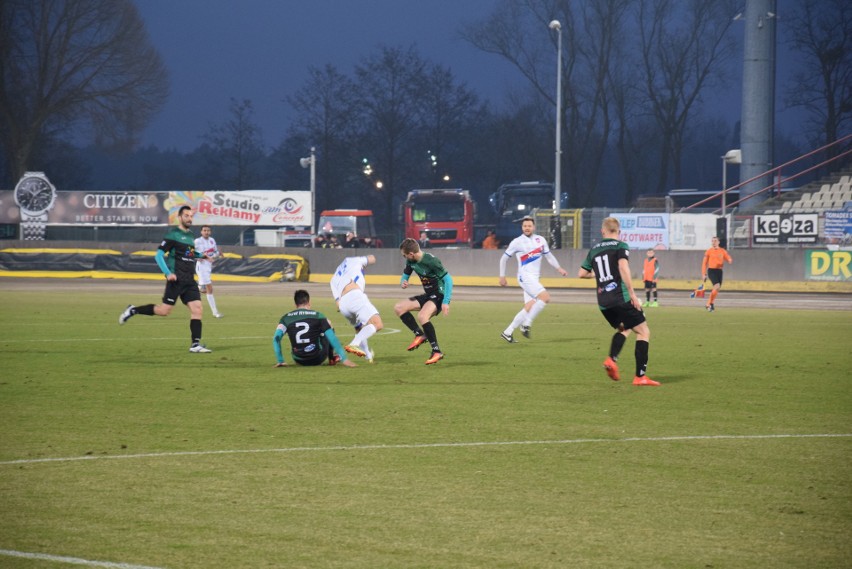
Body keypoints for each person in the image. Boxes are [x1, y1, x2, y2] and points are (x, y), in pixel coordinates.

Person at [119, 205, 213, 353]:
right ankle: (133, 310)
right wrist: (168, 273)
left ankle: (195, 344)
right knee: (164, 311)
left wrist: (202, 256)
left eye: (191, 216)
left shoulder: (190, 236)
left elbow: (189, 253)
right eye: (186, 216)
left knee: (197, 309)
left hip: (189, 279)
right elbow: (158, 255)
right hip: (176, 279)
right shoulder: (173, 234)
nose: (189, 218)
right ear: (180, 217)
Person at [579, 216, 660, 386]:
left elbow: (582, 273)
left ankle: (611, 359)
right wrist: (632, 294)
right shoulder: (620, 246)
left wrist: (598, 275)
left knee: (625, 328)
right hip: (620, 297)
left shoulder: (594, 249)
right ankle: (640, 376)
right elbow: (623, 267)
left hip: (603, 302)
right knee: (644, 331)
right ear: (619, 231)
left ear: (603, 231)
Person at [498, 216, 568, 342]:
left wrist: (559, 268)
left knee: (530, 305)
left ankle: (507, 332)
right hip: (525, 277)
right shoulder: (517, 242)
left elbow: (549, 256)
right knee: (545, 297)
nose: (527, 228)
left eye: (529, 226)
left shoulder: (540, 240)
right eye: (525, 226)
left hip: (533, 278)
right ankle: (526, 324)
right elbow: (503, 258)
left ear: (533, 227)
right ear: (522, 227)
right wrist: (502, 276)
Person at [394, 237, 453, 365]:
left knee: (422, 316)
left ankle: (436, 351)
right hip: (428, 295)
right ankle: (419, 334)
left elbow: (448, 280)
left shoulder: (432, 261)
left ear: (411, 254)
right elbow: (405, 275)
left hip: (439, 295)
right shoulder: (411, 261)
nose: (405, 258)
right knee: (399, 307)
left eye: (405, 256)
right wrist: (403, 282)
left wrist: (446, 302)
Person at [272, 289, 356, 367]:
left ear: (295, 305)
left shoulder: (286, 318)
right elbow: (332, 337)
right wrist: (344, 358)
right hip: (317, 358)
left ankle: (293, 357)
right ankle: (332, 358)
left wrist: (280, 360)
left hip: (299, 360)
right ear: (309, 303)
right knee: (328, 324)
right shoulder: (318, 316)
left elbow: (276, 338)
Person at [329, 254, 383, 363]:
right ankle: (353, 344)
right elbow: (372, 258)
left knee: (359, 329)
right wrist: (367, 260)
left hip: (343, 305)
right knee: (378, 324)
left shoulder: (334, 278)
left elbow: (337, 304)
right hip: (355, 296)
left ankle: (368, 355)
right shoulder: (352, 260)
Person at [194, 225, 223, 318]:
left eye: (208, 230)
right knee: (209, 289)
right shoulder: (197, 241)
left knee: (205, 290)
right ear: (201, 232)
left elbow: (214, 252)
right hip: (201, 267)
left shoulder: (212, 240)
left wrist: (218, 254)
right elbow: (190, 252)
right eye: (204, 230)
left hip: (208, 267)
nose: (206, 232)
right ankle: (215, 313)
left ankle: (198, 285)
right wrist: (198, 257)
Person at [701, 236, 733, 312]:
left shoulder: (722, 251)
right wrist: (703, 273)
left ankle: (709, 304)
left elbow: (727, 257)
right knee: (717, 285)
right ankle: (710, 304)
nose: (713, 242)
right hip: (711, 271)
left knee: (717, 288)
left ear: (718, 242)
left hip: (719, 271)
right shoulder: (708, 251)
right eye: (712, 241)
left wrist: (729, 260)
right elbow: (704, 263)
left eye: (715, 241)